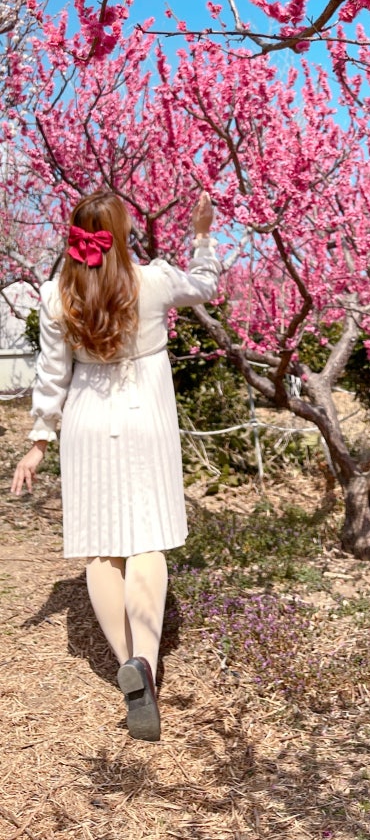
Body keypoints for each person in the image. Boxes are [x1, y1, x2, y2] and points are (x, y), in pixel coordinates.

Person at [10, 190, 220, 742]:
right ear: (122, 233)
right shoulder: (152, 280)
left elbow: (51, 374)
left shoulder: (57, 296)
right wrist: (201, 233)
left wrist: (38, 439)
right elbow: (208, 285)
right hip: (144, 412)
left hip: (86, 419)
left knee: (102, 548)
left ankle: (128, 665)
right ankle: (145, 665)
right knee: (145, 539)